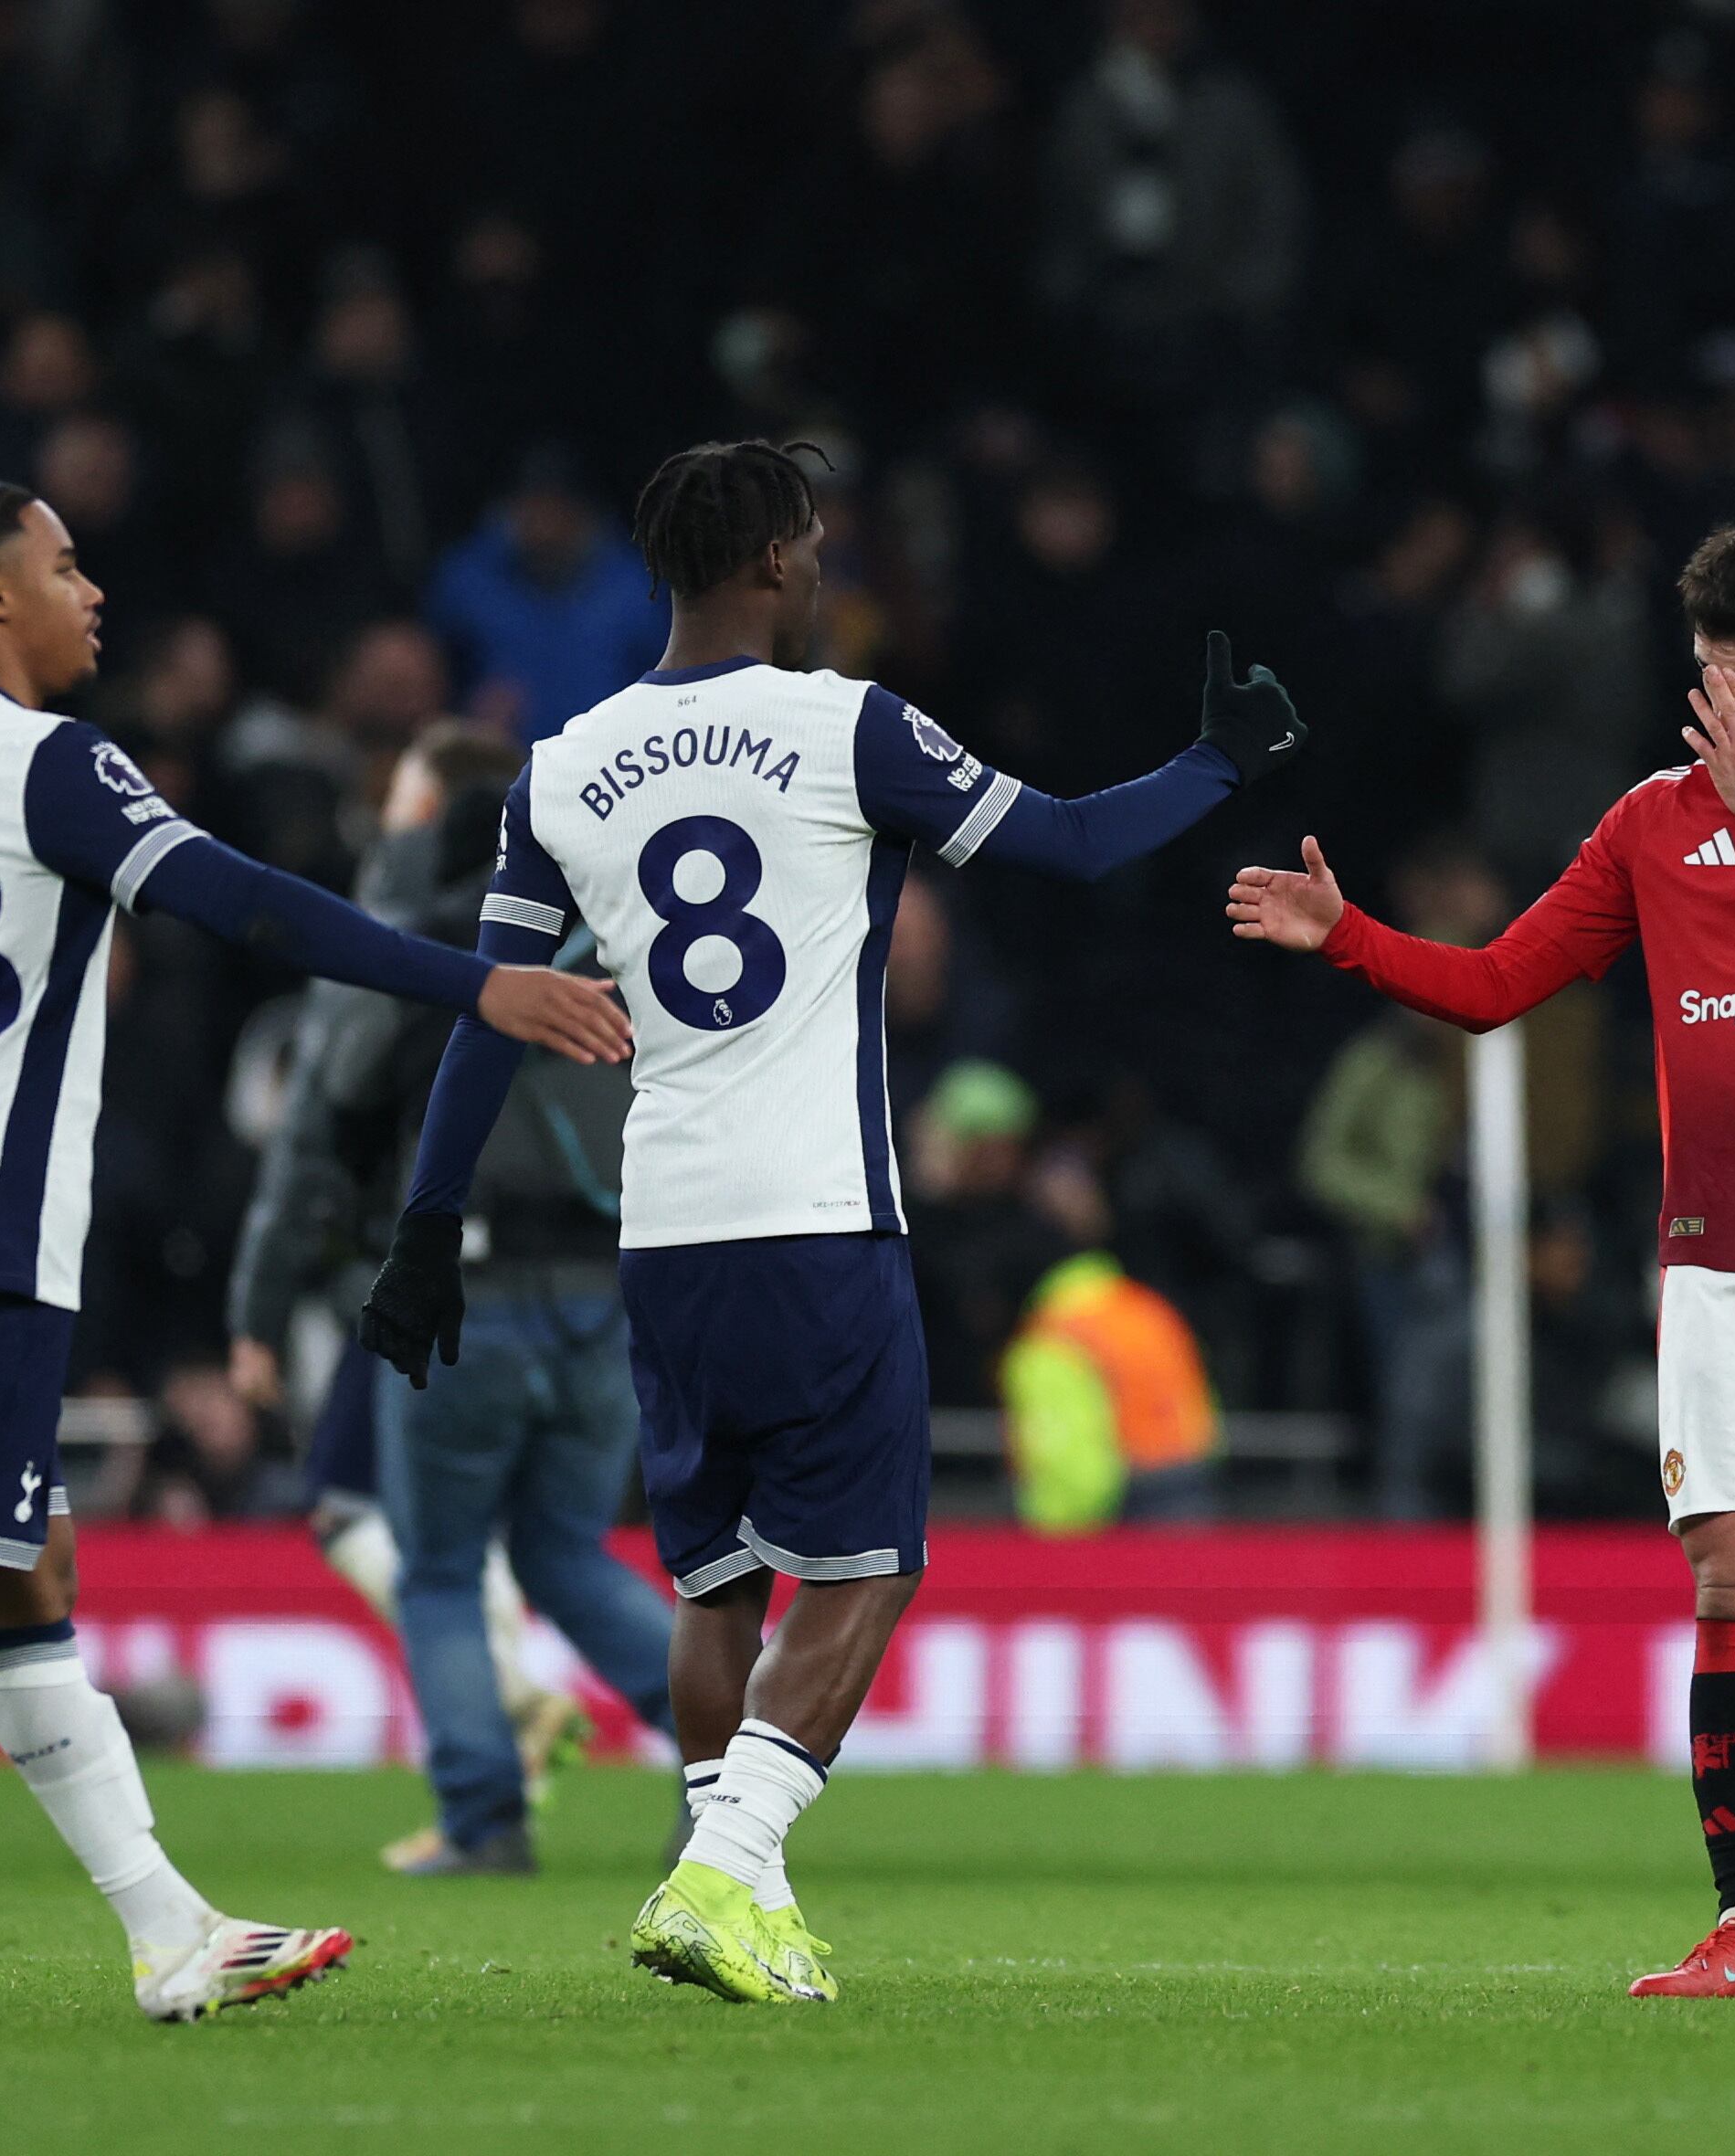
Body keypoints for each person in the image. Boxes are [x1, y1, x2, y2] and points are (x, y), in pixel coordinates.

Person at [0, 480, 631, 2034]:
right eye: (61, 567)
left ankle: (173, 1933)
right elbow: (244, 905)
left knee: (20, 1572)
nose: (90, 591)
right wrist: (479, 986)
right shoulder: (50, 765)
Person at [357, 438, 1305, 2006]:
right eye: (811, 544)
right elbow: (1063, 844)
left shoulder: (562, 766)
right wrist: (1217, 765)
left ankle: (740, 1897)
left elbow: (490, 1015)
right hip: (813, 1218)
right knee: (864, 1567)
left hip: (660, 1233)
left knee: (718, 1583)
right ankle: (723, 1869)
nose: (825, 568)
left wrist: (423, 1227)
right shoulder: (843, 728)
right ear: (770, 564)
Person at [1230, 514, 1735, 2003]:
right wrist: (1349, 940)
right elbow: (1497, 983)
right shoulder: (1652, 821)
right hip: (1714, 1261)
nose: (1733, 721)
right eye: (1709, 685)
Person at [227, 723, 675, 1876]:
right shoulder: (619, 932)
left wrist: (261, 1309)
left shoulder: (429, 949)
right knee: (567, 1550)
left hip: (461, 1291)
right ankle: (738, 1755)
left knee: (435, 1564)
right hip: (605, 1290)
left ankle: (484, 1816)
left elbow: (328, 1112)